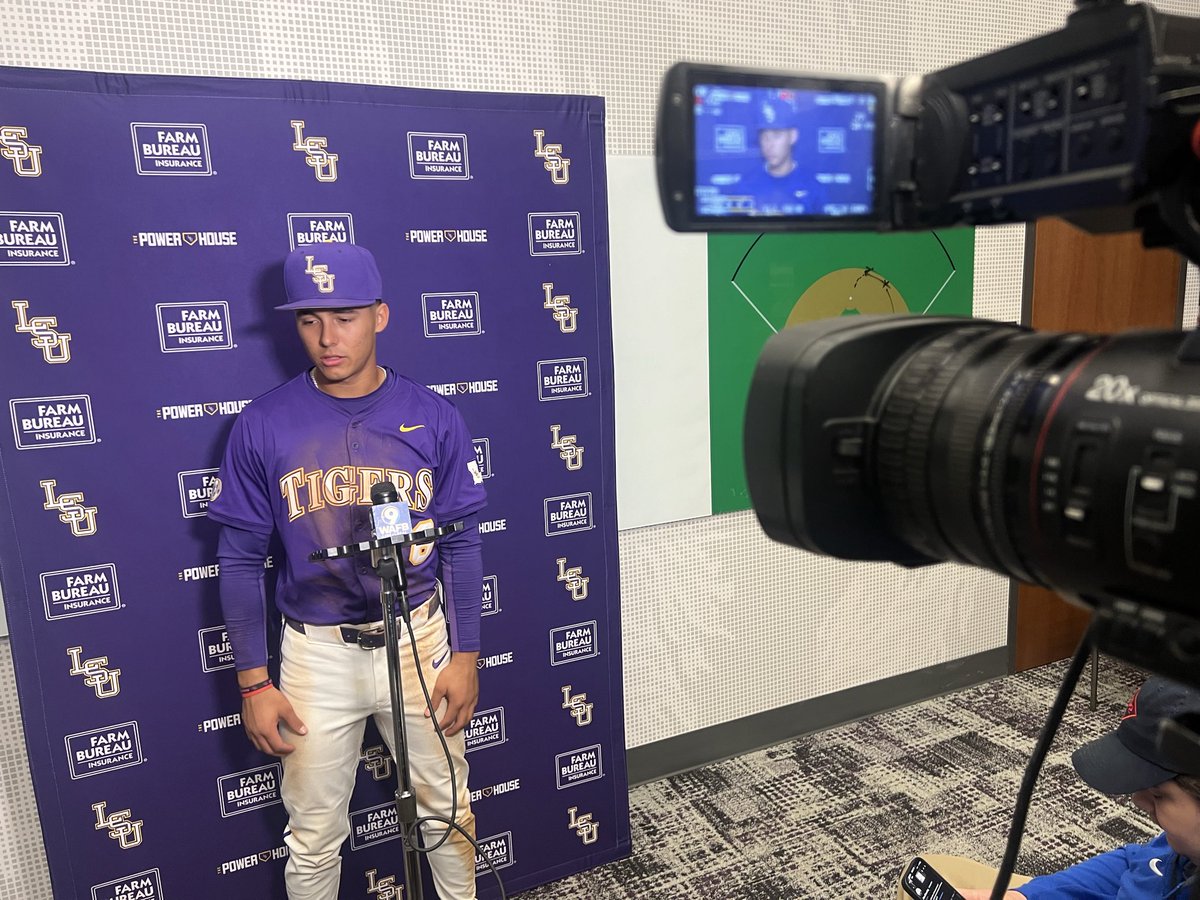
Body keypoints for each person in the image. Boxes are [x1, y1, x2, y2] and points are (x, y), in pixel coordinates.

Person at [208, 242, 486, 900]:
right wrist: (253, 683)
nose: (327, 338)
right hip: (316, 656)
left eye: (346, 316)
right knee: (313, 835)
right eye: (309, 320)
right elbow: (241, 559)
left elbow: (464, 542)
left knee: (448, 813)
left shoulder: (435, 417)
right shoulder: (263, 425)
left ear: (381, 316)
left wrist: (467, 653)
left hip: (418, 638)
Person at [951, 676, 1200, 899]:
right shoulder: (1182, 846)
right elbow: (1136, 862)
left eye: (1158, 794)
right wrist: (1026, 897)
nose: (1137, 800)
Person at [738, 94, 829, 216]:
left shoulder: (813, 187)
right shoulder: (745, 186)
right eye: (764, 137)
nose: (769, 145)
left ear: (793, 136)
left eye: (776, 135)